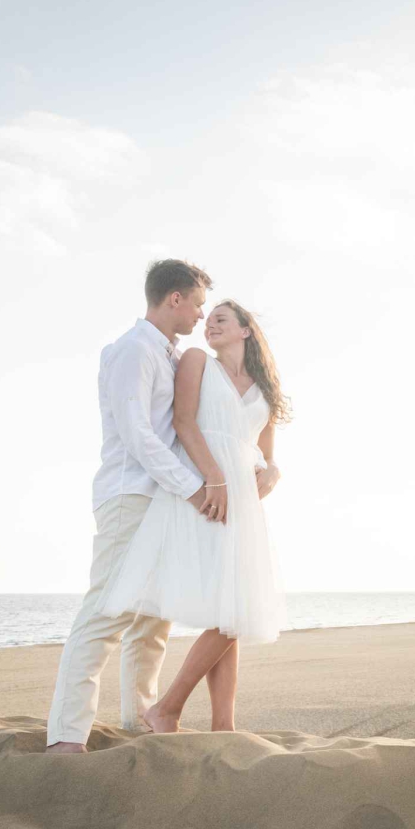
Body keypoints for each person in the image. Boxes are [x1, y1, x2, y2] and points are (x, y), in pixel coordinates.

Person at [45, 260, 217, 754]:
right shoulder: (133, 349)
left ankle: (139, 718)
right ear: (174, 299)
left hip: (162, 499)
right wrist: (193, 488)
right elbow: (137, 433)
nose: (202, 314)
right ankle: (66, 736)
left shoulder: (173, 354)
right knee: (106, 611)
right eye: (198, 303)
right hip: (130, 495)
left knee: (152, 619)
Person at [101, 299, 289, 734]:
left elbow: (267, 456)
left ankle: (223, 726)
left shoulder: (265, 387)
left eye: (221, 319)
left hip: (242, 500)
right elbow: (184, 422)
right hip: (205, 491)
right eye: (209, 320)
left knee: (231, 610)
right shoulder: (197, 360)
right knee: (233, 609)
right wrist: (213, 480)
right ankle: (166, 708)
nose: (209, 325)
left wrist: (274, 474)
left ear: (246, 330)